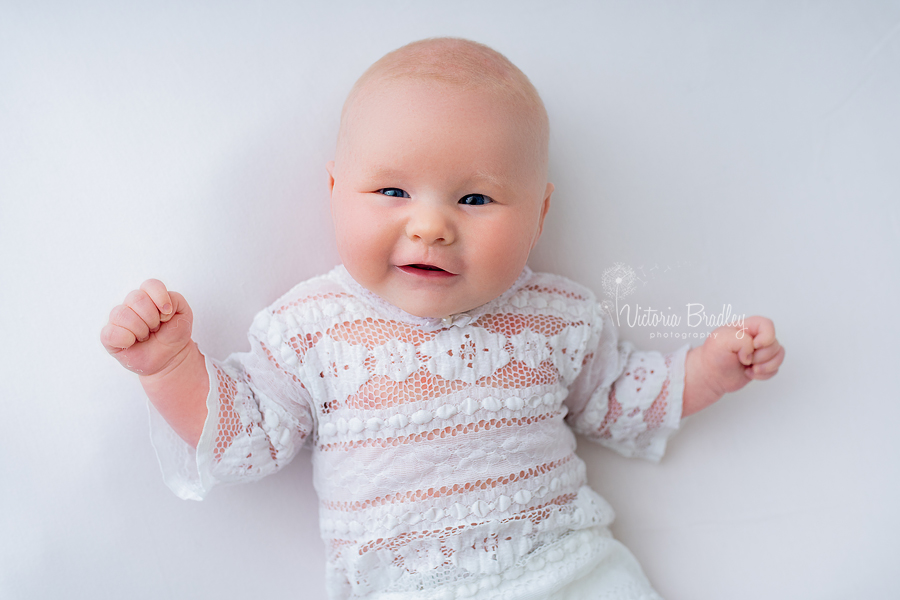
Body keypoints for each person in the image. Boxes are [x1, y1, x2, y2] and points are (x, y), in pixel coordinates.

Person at [101, 37, 785, 600]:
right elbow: (247, 441)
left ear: (539, 215)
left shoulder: (556, 316)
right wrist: (171, 368)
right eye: (392, 190)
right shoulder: (311, 329)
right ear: (336, 189)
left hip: (567, 571)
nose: (430, 226)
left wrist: (705, 370)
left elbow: (618, 400)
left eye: (477, 198)